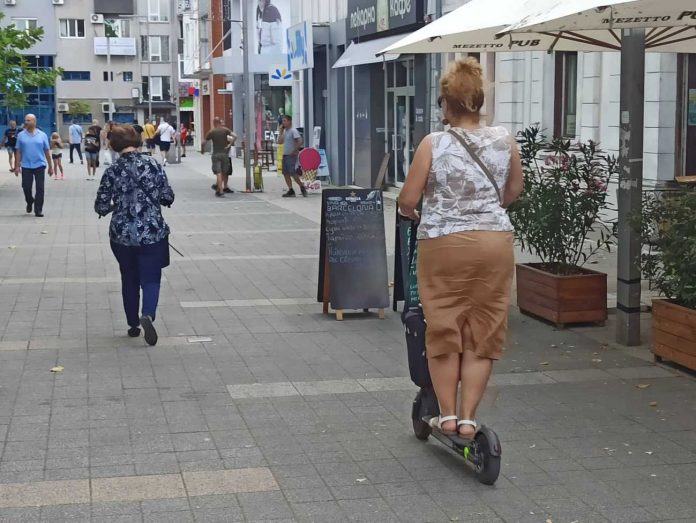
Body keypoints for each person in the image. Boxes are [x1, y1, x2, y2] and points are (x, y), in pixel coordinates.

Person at [398, 58, 524, 439]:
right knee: (483, 330)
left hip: (443, 243)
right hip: (493, 242)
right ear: (479, 101)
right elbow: (514, 190)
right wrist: (485, 211)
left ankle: (448, 415)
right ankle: (470, 418)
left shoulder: (433, 143)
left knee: (444, 327)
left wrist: (419, 214)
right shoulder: (505, 140)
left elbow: (407, 199)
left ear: (446, 103)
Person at [94, 124, 175, 346]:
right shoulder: (153, 165)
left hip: (121, 235)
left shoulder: (112, 171)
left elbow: (100, 205)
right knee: (151, 277)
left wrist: (115, 205)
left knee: (128, 277)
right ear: (138, 141)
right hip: (152, 233)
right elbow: (167, 196)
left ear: (114, 145)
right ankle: (147, 313)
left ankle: (132, 325)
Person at [13, 114, 53, 217]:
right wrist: (17, 166)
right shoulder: (21, 135)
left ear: (34, 122)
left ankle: (38, 210)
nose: (26, 122)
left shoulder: (42, 135)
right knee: (26, 187)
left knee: (40, 188)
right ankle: (30, 201)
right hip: (26, 165)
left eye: (29, 120)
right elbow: (18, 151)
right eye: (25, 120)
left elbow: (47, 151)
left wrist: (50, 166)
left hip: (39, 164)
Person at [202, 117, 236, 197]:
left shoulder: (212, 131)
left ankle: (220, 190)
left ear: (214, 123)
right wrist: (229, 145)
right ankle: (220, 188)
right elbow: (235, 136)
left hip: (216, 155)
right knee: (224, 172)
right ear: (220, 122)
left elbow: (204, 142)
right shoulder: (225, 130)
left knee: (218, 173)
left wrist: (203, 150)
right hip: (225, 154)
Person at [277, 115, 306, 197]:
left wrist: (295, 150)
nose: (283, 123)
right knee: (285, 173)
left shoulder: (293, 131)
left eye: (285, 120)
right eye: (282, 121)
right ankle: (290, 189)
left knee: (292, 172)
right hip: (285, 154)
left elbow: (300, 141)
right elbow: (279, 142)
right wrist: (280, 132)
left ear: (289, 121)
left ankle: (301, 185)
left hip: (291, 155)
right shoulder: (284, 131)